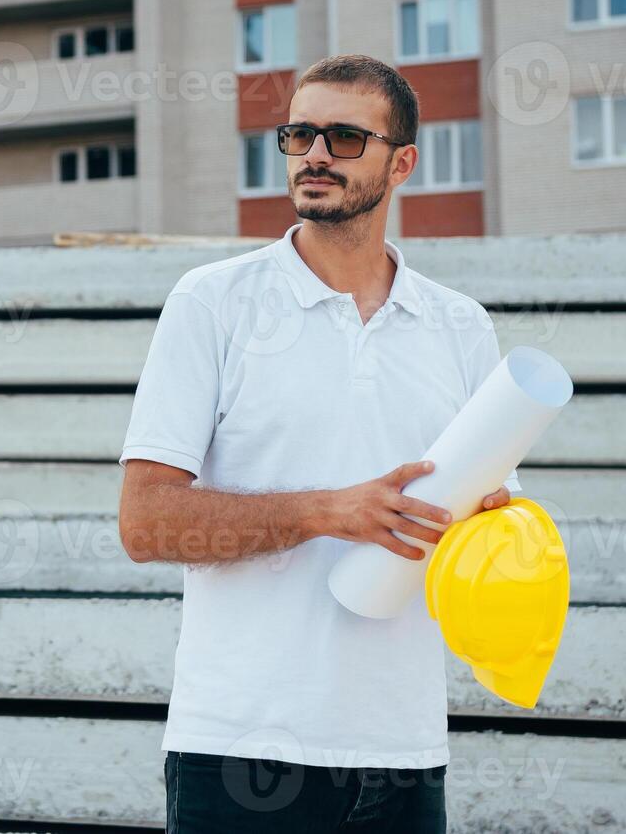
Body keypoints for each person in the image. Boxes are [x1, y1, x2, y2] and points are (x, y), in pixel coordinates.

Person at [117, 54, 521, 833]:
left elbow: (474, 534)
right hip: (238, 747)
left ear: (400, 163)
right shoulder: (213, 302)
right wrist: (324, 512)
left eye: (342, 137)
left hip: (402, 751)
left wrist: (491, 523)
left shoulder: (459, 327)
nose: (314, 156)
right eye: (300, 134)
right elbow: (144, 524)